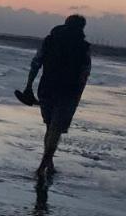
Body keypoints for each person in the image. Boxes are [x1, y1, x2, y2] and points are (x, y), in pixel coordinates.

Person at [19, 14, 92, 177]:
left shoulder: (50, 40)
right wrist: (77, 98)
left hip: (46, 89)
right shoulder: (84, 47)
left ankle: (48, 164)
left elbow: (36, 63)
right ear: (82, 28)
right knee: (56, 129)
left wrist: (29, 86)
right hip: (68, 93)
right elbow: (84, 75)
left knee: (50, 127)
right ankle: (43, 166)